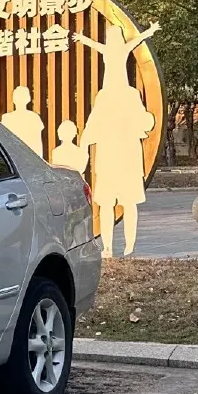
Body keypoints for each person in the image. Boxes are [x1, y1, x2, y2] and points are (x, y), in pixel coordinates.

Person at [74, 21, 160, 257]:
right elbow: (145, 122)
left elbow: (92, 128)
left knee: (114, 204)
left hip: (116, 156)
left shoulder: (114, 95)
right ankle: (115, 247)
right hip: (121, 157)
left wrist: (85, 142)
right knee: (119, 203)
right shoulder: (121, 95)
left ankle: (118, 246)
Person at [1, 86, 45, 157]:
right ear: (28, 99)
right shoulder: (34, 117)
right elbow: (38, 143)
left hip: (15, 156)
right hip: (22, 157)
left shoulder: (7, 118)